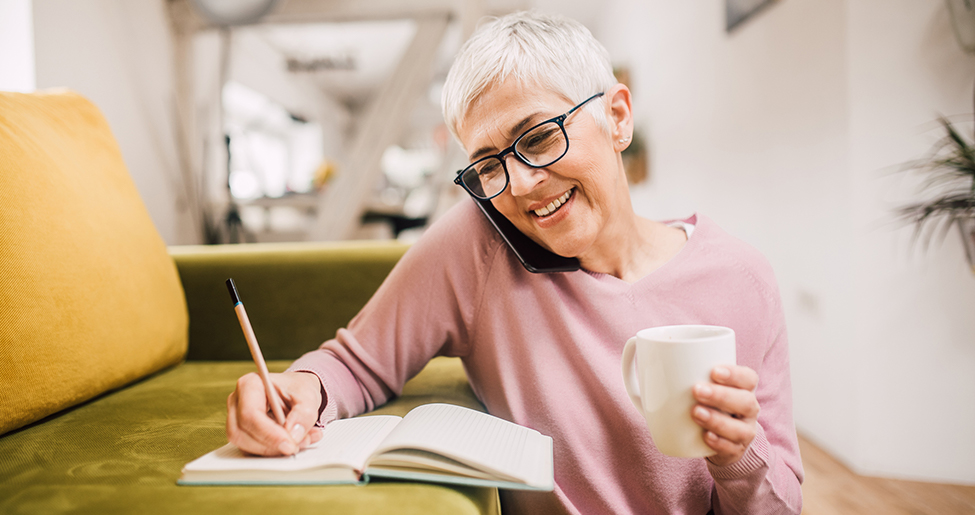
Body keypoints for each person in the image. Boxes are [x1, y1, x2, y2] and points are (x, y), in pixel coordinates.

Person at [226, 11, 803, 514]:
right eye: (489, 164)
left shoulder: (741, 280)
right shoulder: (479, 244)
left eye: (540, 137)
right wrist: (298, 388)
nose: (522, 184)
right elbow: (359, 362)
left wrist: (737, 456)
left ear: (618, 118)